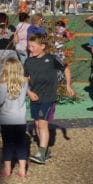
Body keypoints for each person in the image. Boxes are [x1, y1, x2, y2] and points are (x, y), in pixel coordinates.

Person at [24, 33, 74, 165]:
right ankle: (45, 151)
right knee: (36, 125)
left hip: (48, 97)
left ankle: (41, 154)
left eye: (33, 46)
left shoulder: (52, 59)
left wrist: (68, 85)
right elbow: (24, 79)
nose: (31, 49)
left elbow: (66, 68)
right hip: (34, 97)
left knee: (42, 124)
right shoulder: (28, 61)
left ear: (42, 46)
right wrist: (28, 92)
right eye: (29, 46)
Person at [0, 58, 29, 178]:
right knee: (21, 144)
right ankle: (22, 169)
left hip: (7, 119)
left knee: (7, 144)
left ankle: (8, 169)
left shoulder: (4, 83)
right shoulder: (24, 82)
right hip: (20, 118)